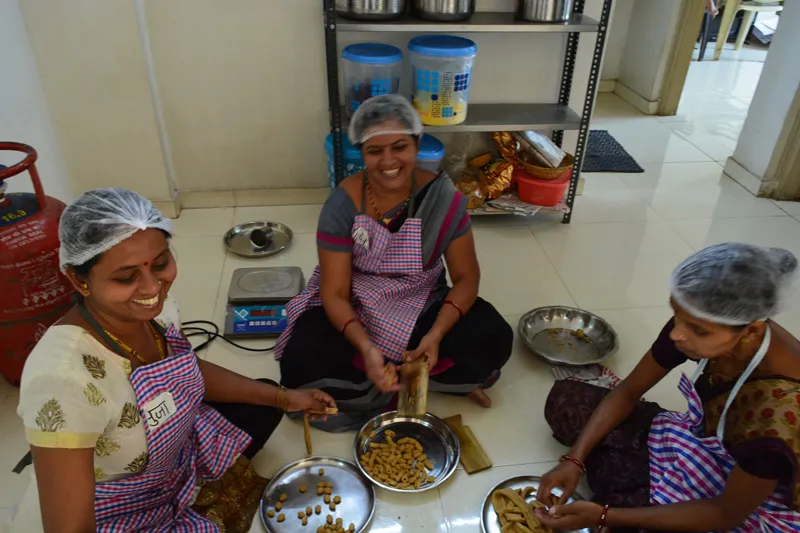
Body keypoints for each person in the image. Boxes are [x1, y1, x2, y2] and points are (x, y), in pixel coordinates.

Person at [13, 188, 336, 533]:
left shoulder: (160, 309)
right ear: (79, 279)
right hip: (121, 510)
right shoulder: (61, 381)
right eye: (126, 277)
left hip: (175, 462)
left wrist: (284, 398)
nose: (152, 287)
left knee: (263, 400)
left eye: (161, 263)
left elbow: (180, 371)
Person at [275, 94, 513, 431]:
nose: (389, 161)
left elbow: (466, 278)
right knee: (301, 360)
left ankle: (392, 376)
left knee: (492, 336)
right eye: (375, 151)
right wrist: (367, 347)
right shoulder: (342, 205)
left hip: (420, 301)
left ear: (416, 146)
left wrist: (435, 335)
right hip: (355, 302)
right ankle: (388, 373)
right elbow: (335, 293)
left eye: (399, 147)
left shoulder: (443, 199)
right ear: (363, 153)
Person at [535, 243, 800, 532]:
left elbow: (725, 514)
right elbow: (627, 391)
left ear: (751, 331)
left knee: (626, 520)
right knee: (569, 400)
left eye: (697, 329)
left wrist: (603, 516)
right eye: (677, 314)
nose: (676, 333)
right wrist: (574, 459)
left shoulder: (779, 416)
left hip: (747, 503)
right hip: (698, 449)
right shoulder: (698, 320)